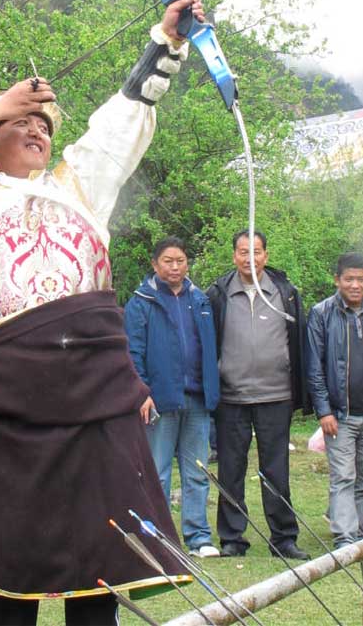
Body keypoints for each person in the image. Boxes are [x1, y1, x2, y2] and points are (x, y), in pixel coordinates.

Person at [0, 0, 204, 626]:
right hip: (9, 403)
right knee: (7, 582)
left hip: (92, 399)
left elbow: (122, 121)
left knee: (99, 572)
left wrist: (167, 43)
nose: (38, 129)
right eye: (22, 124)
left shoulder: (80, 186)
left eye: (44, 124)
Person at [206, 230, 310, 559]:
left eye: (257, 252)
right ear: (234, 255)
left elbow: (299, 342)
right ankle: (233, 539)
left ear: (266, 254)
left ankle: (283, 538)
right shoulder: (218, 293)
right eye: (242, 252)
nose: (250, 259)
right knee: (231, 470)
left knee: (276, 470)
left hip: (275, 396)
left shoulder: (285, 292)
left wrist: (301, 393)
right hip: (231, 398)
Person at [124, 236, 220, 558]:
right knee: (157, 472)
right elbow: (132, 352)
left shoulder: (200, 300)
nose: (175, 266)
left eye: (180, 260)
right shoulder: (141, 302)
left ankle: (198, 538)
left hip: (196, 399)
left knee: (196, 471)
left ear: (187, 263)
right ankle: (159, 540)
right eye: (168, 261)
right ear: (155, 264)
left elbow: (209, 349)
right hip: (158, 401)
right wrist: (142, 392)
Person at [306, 252, 363, 549]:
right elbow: (314, 367)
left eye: (362, 279)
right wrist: (323, 411)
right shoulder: (322, 314)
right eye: (349, 279)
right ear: (337, 280)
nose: (355, 285)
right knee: (343, 476)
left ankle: (360, 529)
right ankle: (345, 536)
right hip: (340, 414)